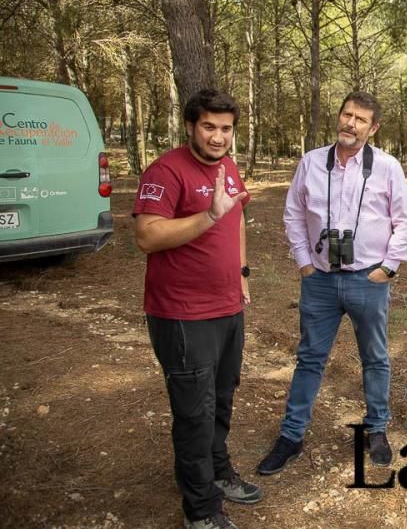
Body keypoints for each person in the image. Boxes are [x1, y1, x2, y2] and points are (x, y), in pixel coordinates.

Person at [257, 91, 407, 474]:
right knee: (310, 358)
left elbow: (405, 221)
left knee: (375, 359)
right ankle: (291, 436)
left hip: (368, 280)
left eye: (361, 119)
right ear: (339, 116)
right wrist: (303, 263)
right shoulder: (311, 162)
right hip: (320, 281)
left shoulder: (387, 166)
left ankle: (376, 428)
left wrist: (389, 267)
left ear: (373, 128)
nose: (351, 123)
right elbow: (293, 215)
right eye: (347, 114)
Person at [134, 88, 260, 529]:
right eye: (209, 126)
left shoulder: (227, 166)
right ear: (191, 126)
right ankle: (201, 509)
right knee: (194, 411)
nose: (218, 136)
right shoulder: (166, 170)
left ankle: (217, 472)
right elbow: (148, 236)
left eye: (226, 129)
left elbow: (237, 215)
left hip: (227, 307)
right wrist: (206, 216)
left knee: (221, 398)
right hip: (182, 314)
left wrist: (241, 272)